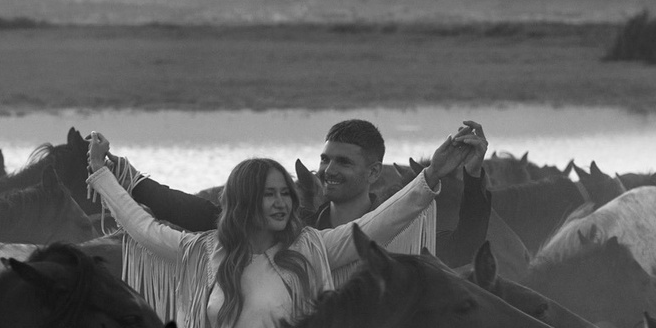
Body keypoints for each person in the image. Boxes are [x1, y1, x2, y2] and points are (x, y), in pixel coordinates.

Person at [85, 121, 488, 328]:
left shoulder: (313, 247)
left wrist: (434, 175)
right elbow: (147, 228)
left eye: (284, 193)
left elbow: (381, 224)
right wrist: (105, 174)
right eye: (268, 194)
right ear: (245, 203)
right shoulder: (210, 251)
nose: (280, 202)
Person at [118, 117, 494, 273]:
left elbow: (465, 247)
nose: (328, 170)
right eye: (325, 159)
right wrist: (132, 180)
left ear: (373, 173)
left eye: (343, 162)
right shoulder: (297, 231)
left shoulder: (403, 235)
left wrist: (474, 174)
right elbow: (210, 216)